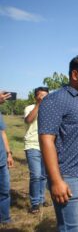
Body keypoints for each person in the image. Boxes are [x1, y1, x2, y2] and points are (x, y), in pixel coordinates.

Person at [38, 54, 78, 232]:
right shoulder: (55, 100)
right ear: (74, 74)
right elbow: (46, 140)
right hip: (70, 178)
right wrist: (56, 181)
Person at [24, 87, 50, 214]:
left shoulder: (52, 109)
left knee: (44, 175)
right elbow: (28, 120)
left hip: (47, 146)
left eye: (46, 96)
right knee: (35, 175)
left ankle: (41, 198)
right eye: (41, 96)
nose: (44, 98)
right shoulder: (30, 108)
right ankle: (35, 203)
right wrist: (39, 105)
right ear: (36, 97)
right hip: (32, 145)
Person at [0, 91, 14, 224]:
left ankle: (4, 217)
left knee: (4, 190)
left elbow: (2, 132)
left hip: (1, 160)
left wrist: (8, 153)